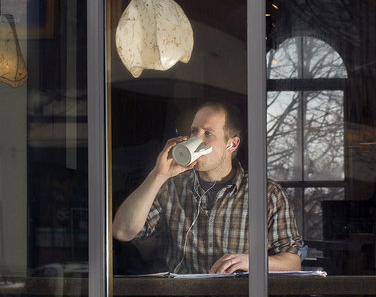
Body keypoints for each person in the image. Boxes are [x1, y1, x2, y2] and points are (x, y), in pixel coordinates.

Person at [112, 101, 303, 274]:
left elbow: (293, 262)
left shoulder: (267, 194)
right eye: (194, 131)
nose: (196, 138)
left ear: (232, 144)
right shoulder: (171, 186)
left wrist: (253, 262)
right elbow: (122, 231)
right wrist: (158, 174)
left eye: (207, 133)